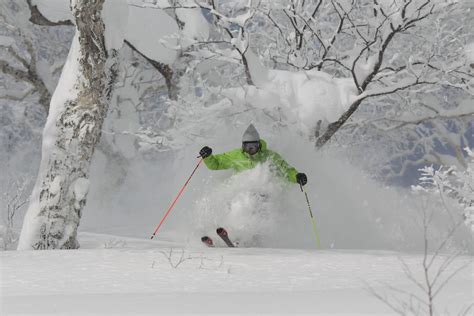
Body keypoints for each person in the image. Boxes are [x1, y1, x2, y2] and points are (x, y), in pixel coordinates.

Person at [199, 124, 307, 186]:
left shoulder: (269, 156)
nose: (250, 150)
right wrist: (207, 156)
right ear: (243, 146)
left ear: (259, 145)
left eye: (253, 146)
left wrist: (296, 176)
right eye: (247, 146)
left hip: (264, 191)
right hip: (242, 191)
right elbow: (216, 164)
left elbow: (286, 170)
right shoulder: (236, 155)